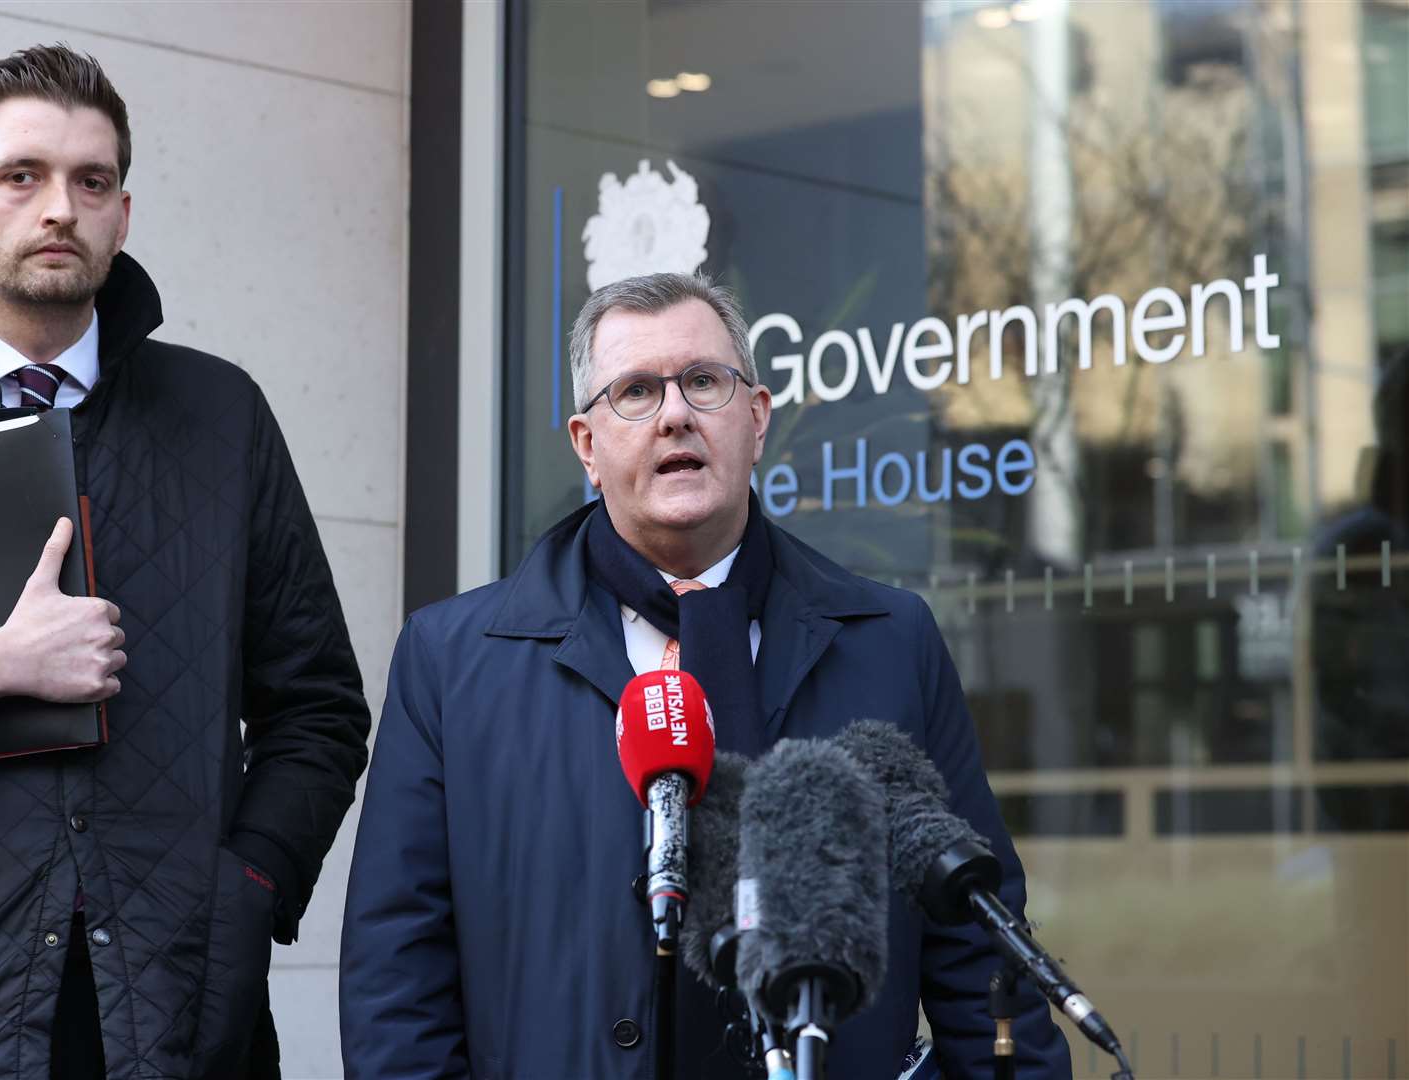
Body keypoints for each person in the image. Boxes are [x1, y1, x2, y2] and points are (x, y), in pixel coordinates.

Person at [0, 45, 370, 1080]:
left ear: (123, 213)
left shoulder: (220, 415)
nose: (59, 207)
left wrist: (251, 886)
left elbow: (319, 707)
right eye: (23, 175)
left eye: (90, 181)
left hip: (171, 1011)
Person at [340, 272, 1073, 1078]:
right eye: (636, 391)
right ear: (587, 445)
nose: (676, 413)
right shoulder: (452, 660)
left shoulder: (890, 641)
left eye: (702, 381)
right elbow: (397, 977)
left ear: (756, 420)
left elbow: (979, 947)